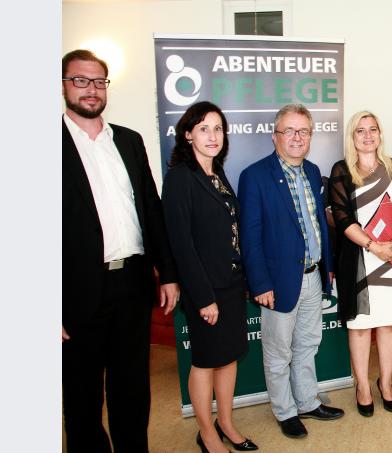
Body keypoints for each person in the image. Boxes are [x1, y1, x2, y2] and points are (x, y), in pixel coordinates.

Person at [62, 49, 180, 452]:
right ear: (64, 84)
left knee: (132, 389)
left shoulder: (128, 141)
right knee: (82, 396)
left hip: (132, 284)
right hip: (75, 292)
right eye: (81, 80)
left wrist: (168, 273)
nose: (91, 89)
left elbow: (152, 210)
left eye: (98, 81)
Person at [238, 104, 344, 439]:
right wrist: (259, 282)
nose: (297, 137)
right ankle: (285, 411)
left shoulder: (313, 171)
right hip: (277, 281)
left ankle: (308, 401)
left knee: (308, 343)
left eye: (303, 131)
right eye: (289, 131)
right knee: (278, 351)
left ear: (310, 136)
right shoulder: (254, 176)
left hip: (313, 275)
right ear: (275, 136)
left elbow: (317, 228)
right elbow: (250, 237)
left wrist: (327, 267)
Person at [162, 101, 258, 452]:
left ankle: (227, 423)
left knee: (228, 356)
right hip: (206, 290)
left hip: (232, 284)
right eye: (204, 128)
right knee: (205, 361)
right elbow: (181, 245)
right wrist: (203, 298)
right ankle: (206, 433)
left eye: (218, 128)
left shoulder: (217, 173)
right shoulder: (179, 179)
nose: (212, 135)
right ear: (188, 134)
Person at [329, 111, 392, 417]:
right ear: (352, 138)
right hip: (359, 259)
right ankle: (363, 386)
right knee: (362, 327)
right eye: (360, 131)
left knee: (389, 324)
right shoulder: (342, 170)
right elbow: (342, 218)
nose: (368, 136)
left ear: (380, 134)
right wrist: (372, 246)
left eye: (373, 129)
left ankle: (386, 383)